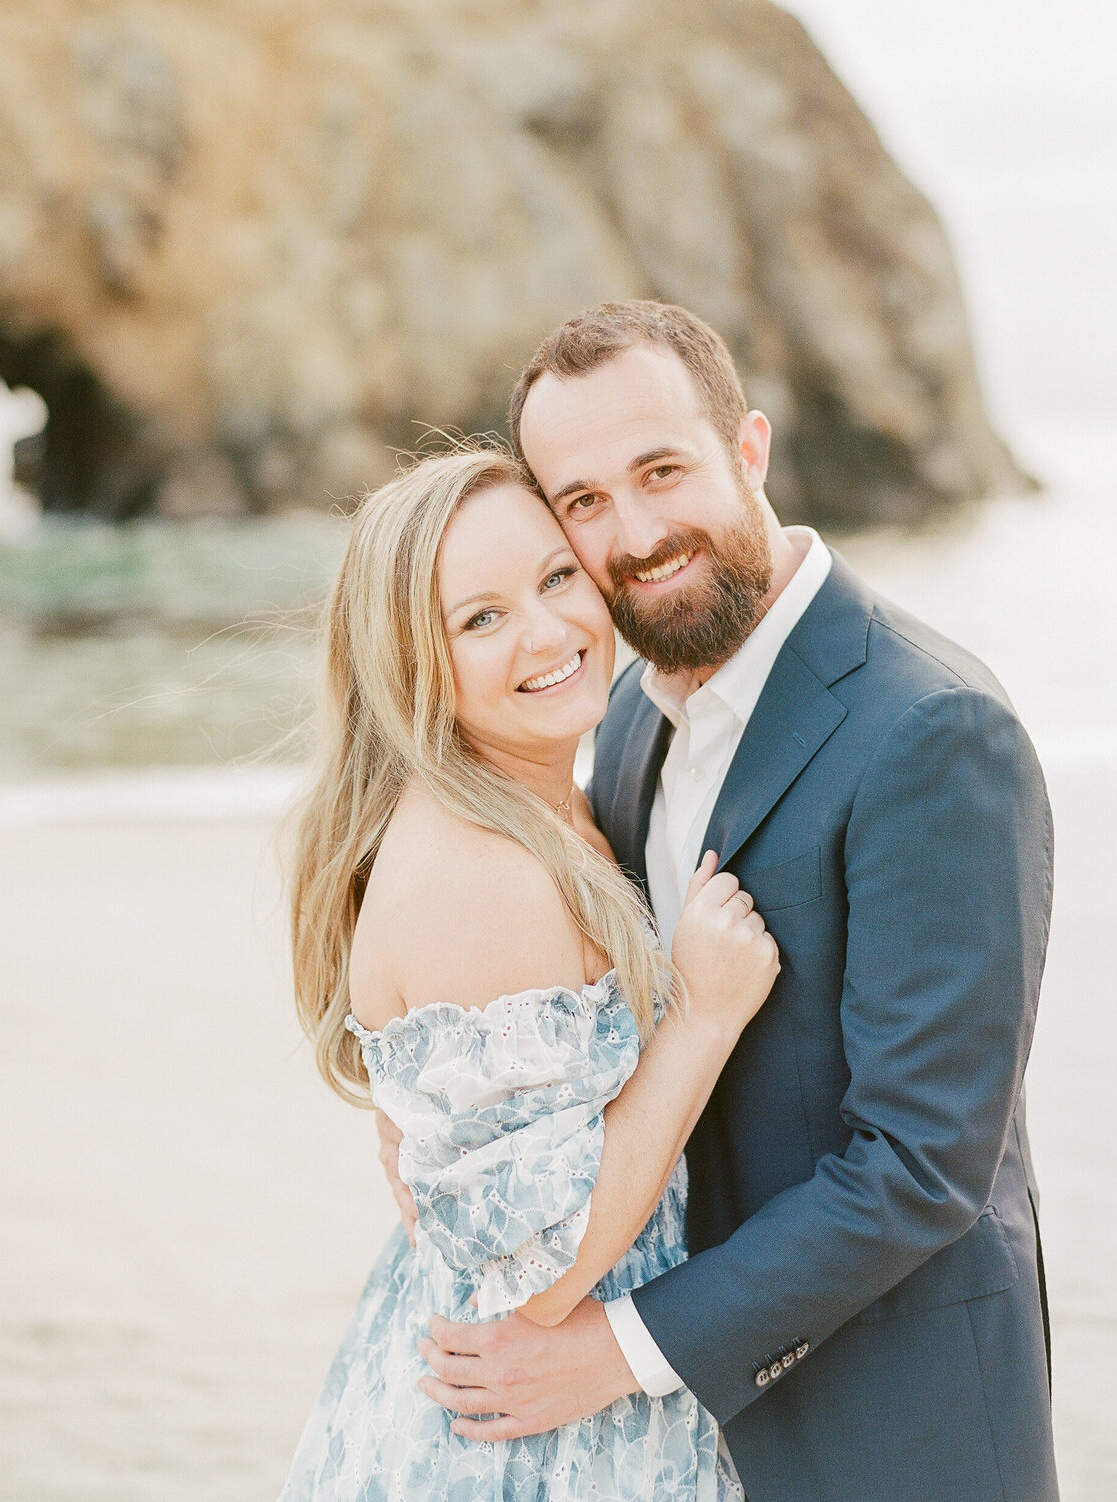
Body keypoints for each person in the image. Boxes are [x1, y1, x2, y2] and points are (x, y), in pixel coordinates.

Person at [400, 301, 1058, 1502]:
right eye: (585, 504)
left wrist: (621, 1350)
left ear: (747, 449)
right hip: (689, 1444)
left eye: (663, 471)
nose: (638, 534)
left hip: (895, 1430)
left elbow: (920, 1165)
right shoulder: (635, 710)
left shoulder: (935, 733)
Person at [279, 445, 782, 1499]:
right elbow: (545, 1271)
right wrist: (704, 1015)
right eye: (481, 618)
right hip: (532, 1438)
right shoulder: (485, 877)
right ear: (413, 661)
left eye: (557, 578)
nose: (551, 632)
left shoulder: (543, 804)